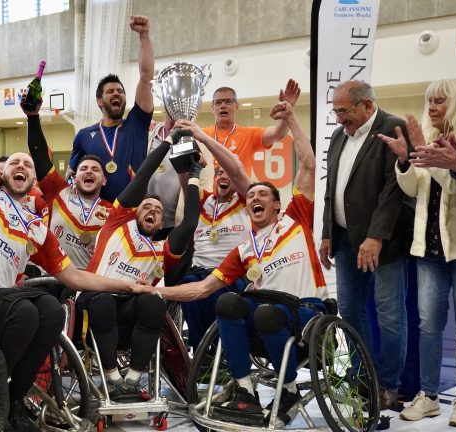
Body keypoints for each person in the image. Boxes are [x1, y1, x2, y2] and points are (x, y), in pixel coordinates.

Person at [0, 18, 142, 432]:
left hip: (1, 304)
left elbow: (75, 276)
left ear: (34, 180)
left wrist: (127, 286)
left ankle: (12, 402)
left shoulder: (35, 225)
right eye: (15, 162)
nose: (23, 165)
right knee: (24, 308)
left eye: (28, 163)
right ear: (1, 173)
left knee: (51, 310)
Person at [139, 102, 324, 424]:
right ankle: (244, 388)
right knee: (225, 301)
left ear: (277, 206)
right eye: (251, 196)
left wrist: (292, 119)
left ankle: (289, 389)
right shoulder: (244, 250)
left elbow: (308, 164)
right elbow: (202, 289)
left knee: (264, 312)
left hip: (303, 308)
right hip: (264, 310)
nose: (254, 198)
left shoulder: (295, 220)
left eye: (263, 195)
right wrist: (155, 292)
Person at [378, 78, 456, 427]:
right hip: (428, 248)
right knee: (428, 325)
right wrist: (405, 161)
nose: (432, 107)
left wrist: (435, 158)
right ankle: (429, 396)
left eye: (440, 101)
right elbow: (414, 188)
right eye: (430, 101)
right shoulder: (431, 141)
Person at [79, 121, 202, 399]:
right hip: (94, 302)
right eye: (147, 206)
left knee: (154, 302)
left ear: (160, 223)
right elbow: (143, 176)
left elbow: (190, 222)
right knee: (103, 301)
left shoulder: (163, 249)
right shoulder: (117, 222)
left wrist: (194, 175)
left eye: (158, 211)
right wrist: (168, 141)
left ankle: (132, 379)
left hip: (130, 313)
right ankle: (112, 378)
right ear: (135, 212)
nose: (152, 211)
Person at [319, 80, 414, 410]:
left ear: (367, 105)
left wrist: (375, 237)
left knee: (389, 315)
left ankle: (388, 384)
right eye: (335, 112)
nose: (339, 119)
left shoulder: (393, 128)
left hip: (384, 242)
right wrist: (327, 233)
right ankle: (363, 377)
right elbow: (332, 189)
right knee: (350, 311)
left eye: (343, 111)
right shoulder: (338, 136)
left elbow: (394, 190)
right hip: (345, 240)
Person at [177, 116, 252, 350]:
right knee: (187, 284)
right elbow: (184, 178)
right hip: (200, 271)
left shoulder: (246, 199)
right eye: (219, 173)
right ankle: (203, 349)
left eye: (228, 175)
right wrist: (184, 146)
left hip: (233, 274)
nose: (224, 177)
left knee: (214, 294)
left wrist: (202, 136)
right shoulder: (204, 199)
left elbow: (236, 168)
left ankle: (219, 348)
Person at [68, 15, 154, 203]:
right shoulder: (83, 135)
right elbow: (71, 173)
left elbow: (146, 77)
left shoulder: (137, 123)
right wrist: (72, 190)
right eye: (110, 91)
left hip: (133, 210)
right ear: (99, 101)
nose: (117, 94)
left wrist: (144, 36)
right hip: (97, 211)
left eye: (120, 91)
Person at [21, 97, 112, 270]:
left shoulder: (112, 212)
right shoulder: (58, 191)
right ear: (75, 177)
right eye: (83, 168)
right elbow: (40, 155)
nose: (89, 171)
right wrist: (32, 117)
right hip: (51, 275)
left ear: (104, 180)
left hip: (86, 280)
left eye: (95, 169)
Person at [200, 79, 300, 185]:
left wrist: (287, 111)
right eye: (218, 102)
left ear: (236, 106)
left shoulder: (249, 134)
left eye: (228, 101)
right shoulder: (201, 135)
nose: (223, 106)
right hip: (205, 194)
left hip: (239, 194)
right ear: (212, 107)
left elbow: (278, 133)